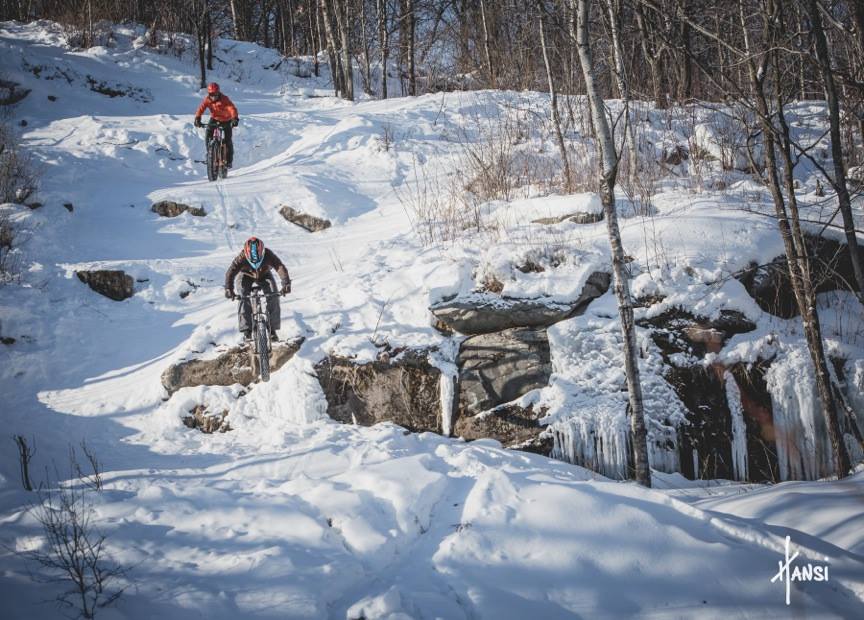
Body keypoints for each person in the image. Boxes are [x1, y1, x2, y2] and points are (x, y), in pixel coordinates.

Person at [225, 237, 291, 341]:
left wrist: (286, 283)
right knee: (243, 297)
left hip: (264, 274)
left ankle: (272, 330)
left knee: (274, 295)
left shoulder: (268, 254)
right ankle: (247, 331)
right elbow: (231, 272)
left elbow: (279, 267)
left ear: (263, 252)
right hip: (245, 275)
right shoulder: (241, 257)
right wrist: (229, 288)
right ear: (246, 254)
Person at [194, 82, 239, 168]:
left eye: (216, 94)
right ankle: (210, 155)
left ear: (218, 92)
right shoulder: (207, 100)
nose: (214, 96)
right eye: (211, 94)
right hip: (215, 119)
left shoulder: (224, 99)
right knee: (208, 135)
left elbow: (232, 108)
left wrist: (235, 118)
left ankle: (229, 161)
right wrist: (197, 118)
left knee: (228, 140)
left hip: (226, 120)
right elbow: (201, 108)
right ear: (209, 93)